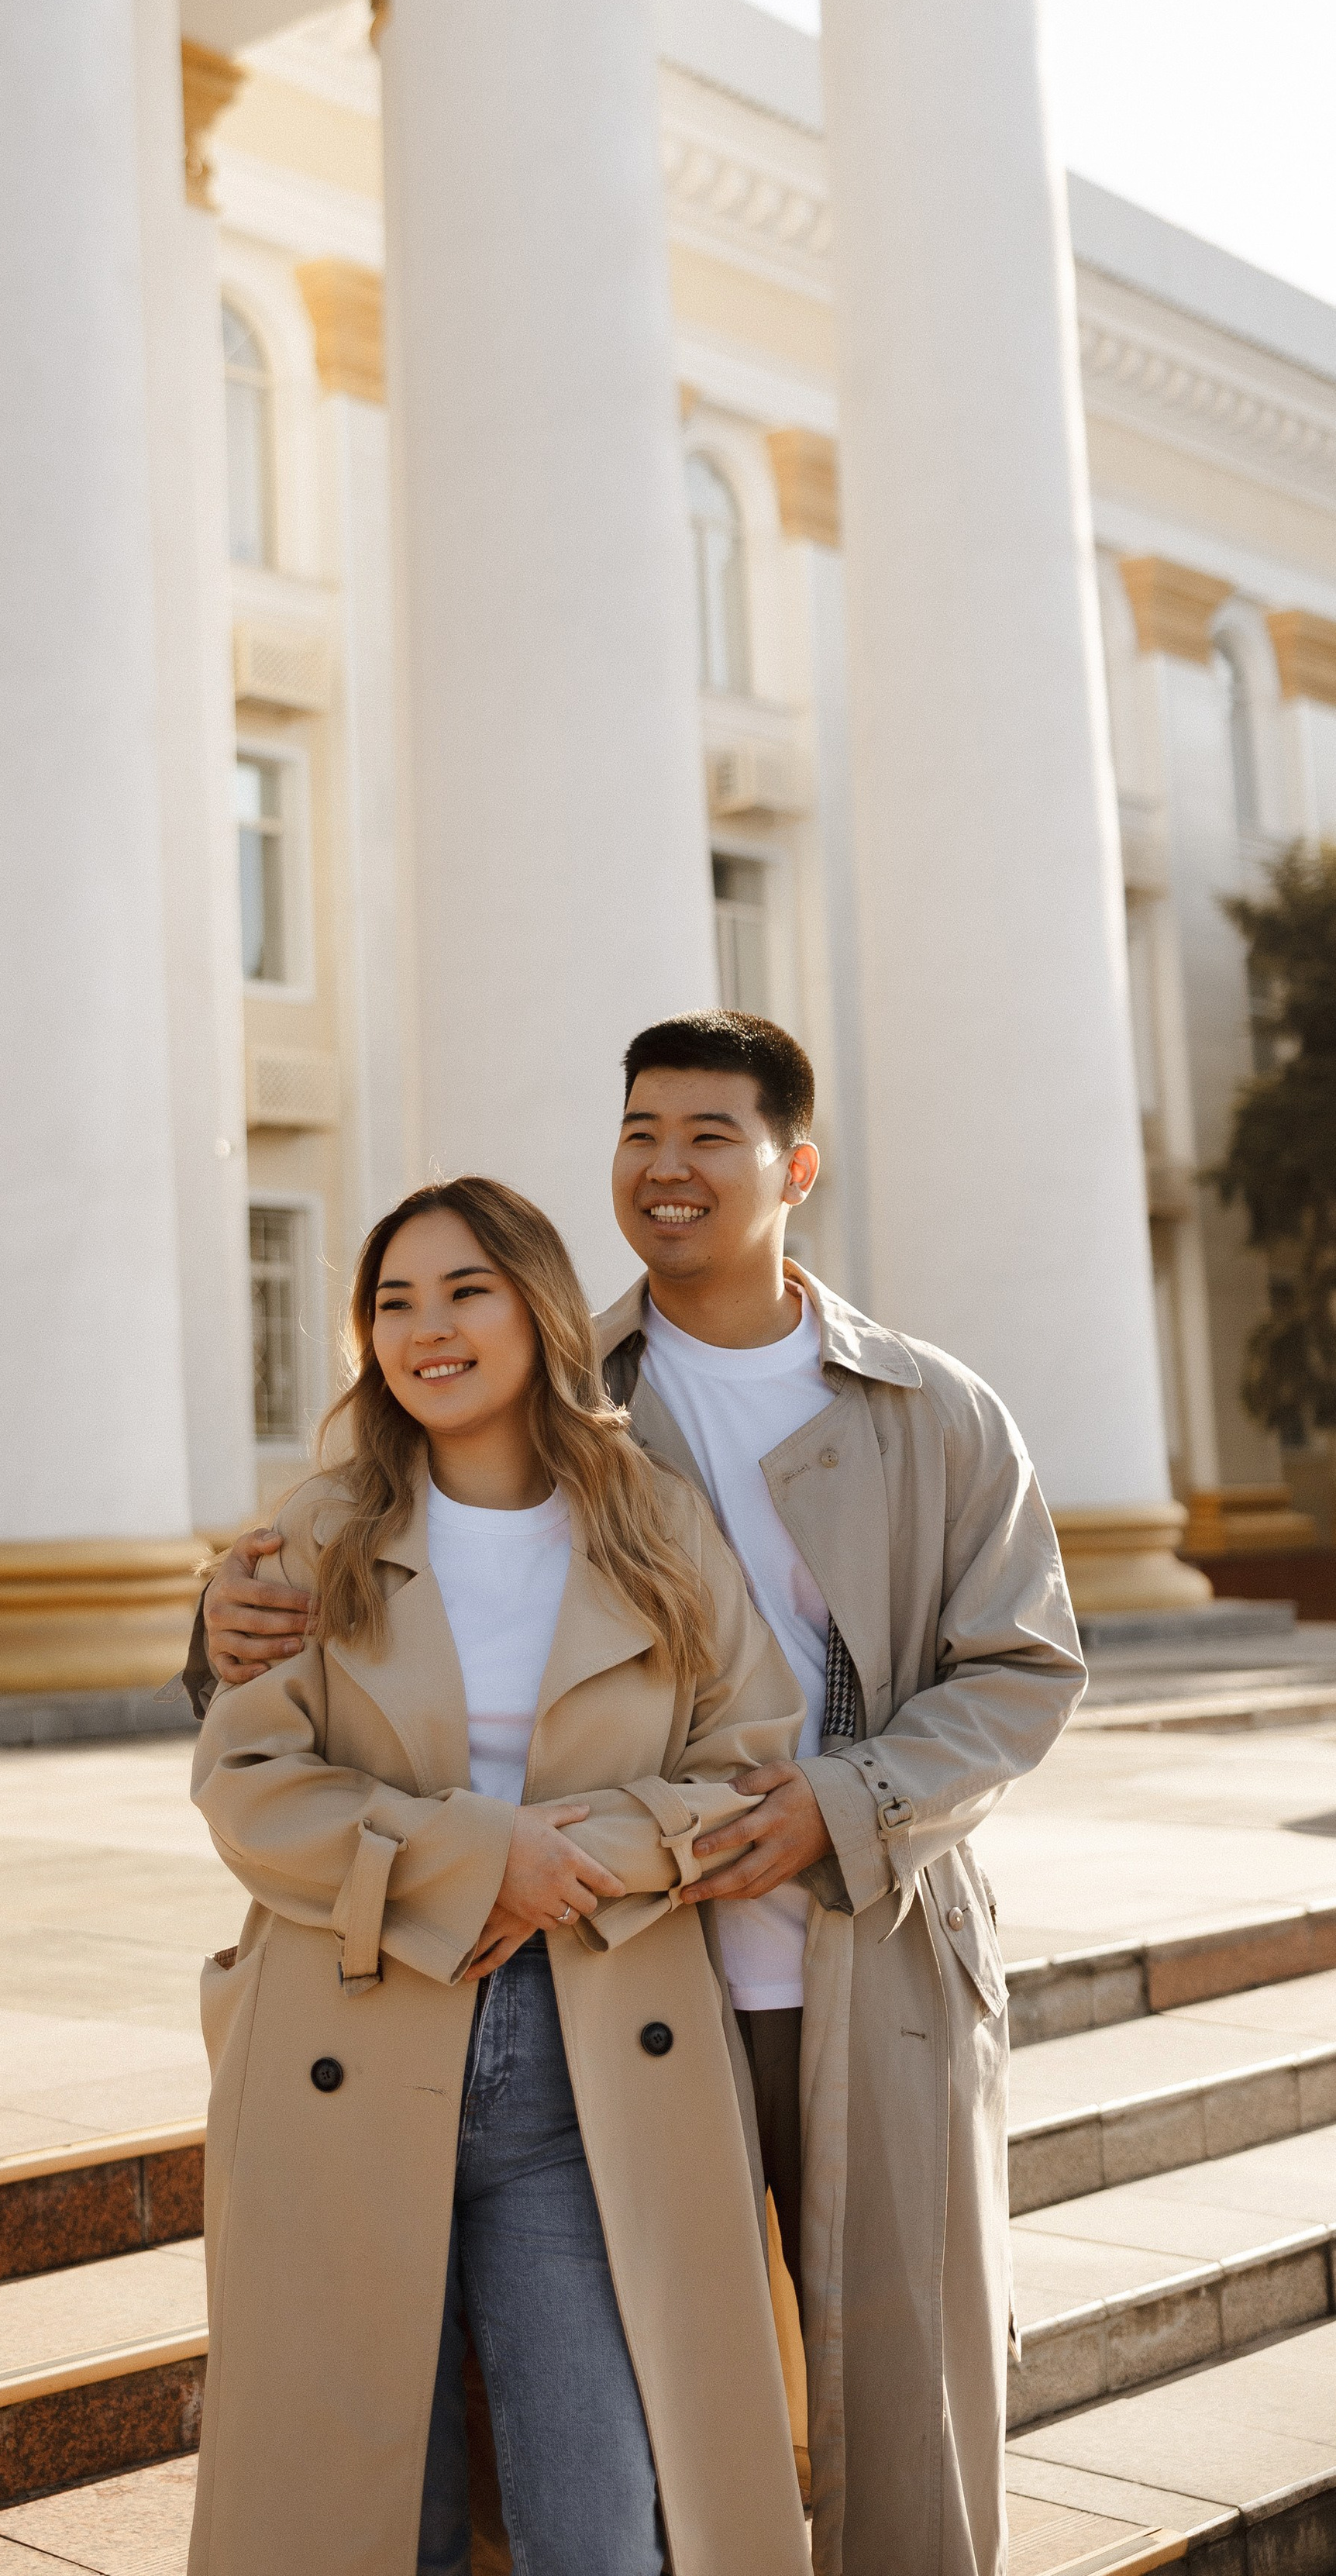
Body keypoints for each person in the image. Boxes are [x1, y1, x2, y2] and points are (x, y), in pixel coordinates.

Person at [193, 1012, 1090, 2576]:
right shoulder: (546, 1388)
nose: (664, 1167)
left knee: (891, 2389)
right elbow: (294, 1671)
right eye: (636, 1132)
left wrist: (843, 1802)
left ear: (792, 1165)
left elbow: (1021, 1670)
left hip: (849, 1952)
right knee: (624, 2413)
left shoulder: (930, 1409)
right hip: (609, 1972)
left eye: (707, 1135)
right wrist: (211, 1626)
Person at [188, 1174, 811, 2576]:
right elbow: (246, 1787)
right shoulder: (314, 1535)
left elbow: (749, 1759)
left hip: (591, 2066)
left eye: (464, 1290)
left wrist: (565, 1861)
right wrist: (480, 1858)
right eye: (394, 1303)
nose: (429, 1329)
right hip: (347, 2030)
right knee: (358, 2512)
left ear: (534, 1307)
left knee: (600, 2514)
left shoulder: (652, 1523)